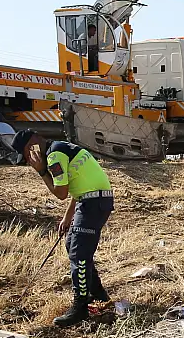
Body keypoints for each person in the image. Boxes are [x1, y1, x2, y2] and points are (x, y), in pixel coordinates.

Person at [11, 130, 115, 327]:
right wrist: (68, 217)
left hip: (93, 202)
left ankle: (81, 306)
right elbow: (79, 184)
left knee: (79, 253)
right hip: (92, 199)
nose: (28, 159)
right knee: (73, 244)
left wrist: (42, 171)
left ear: (32, 145)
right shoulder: (60, 147)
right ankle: (98, 294)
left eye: (26, 154)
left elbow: (61, 193)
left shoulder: (54, 156)